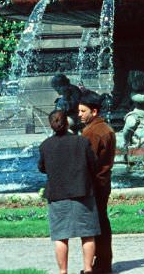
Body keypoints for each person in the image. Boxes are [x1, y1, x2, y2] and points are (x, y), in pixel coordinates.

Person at [38, 109, 100, 274]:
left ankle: (63, 271)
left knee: (60, 236)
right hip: (82, 192)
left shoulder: (45, 145)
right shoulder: (82, 142)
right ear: (67, 123)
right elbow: (94, 165)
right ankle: (88, 269)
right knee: (87, 234)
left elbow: (42, 168)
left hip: (57, 194)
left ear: (50, 125)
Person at [79, 90, 116, 274]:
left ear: (94, 112)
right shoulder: (106, 128)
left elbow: (87, 161)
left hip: (95, 184)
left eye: (83, 111)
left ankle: (101, 264)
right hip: (104, 181)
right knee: (102, 221)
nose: (79, 114)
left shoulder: (93, 133)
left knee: (96, 224)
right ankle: (103, 261)